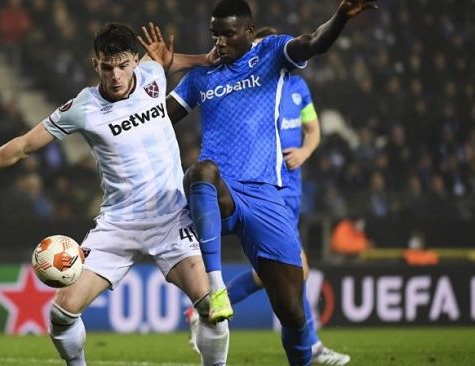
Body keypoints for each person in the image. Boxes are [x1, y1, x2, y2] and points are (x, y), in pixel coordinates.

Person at [0, 24, 229, 365]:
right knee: (62, 315)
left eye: (123, 66)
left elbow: (167, 62)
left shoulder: (153, 75)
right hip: (118, 225)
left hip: (170, 218)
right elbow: (23, 146)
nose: (116, 76)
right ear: (96, 64)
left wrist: (203, 58)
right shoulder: (83, 107)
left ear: (135, 61)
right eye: (107, 67)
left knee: (213, 309)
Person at [160, 1, 377, 364]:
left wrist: (340, 16)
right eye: (215, 35)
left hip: (265, 195)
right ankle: (215, 289)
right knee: (201, 171)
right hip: (221, 193)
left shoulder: (271, 54)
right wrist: (156, 72)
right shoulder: (201, 78)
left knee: (292, 313)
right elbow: (157, 119)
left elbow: (313, 43)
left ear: (248, 31)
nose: (220, 42)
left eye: (228, 34)